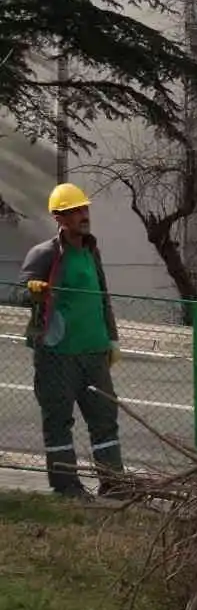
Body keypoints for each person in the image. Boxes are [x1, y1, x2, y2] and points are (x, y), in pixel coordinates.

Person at [15, 182, 125, 498]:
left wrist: (112, 340)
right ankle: (66, 487)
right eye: (75, 211)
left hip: (94, 354)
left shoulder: (92, 250)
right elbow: (17, 293)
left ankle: (114, 483)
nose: (83, 215)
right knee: (59, 421)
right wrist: (32, 291)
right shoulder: (45, 253)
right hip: (57, 354)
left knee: (105, 421)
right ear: (59, 218)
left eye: (84, 209)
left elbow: (103, 297)